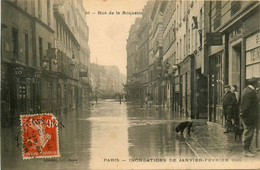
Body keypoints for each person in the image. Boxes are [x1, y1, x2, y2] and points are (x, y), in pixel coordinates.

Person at [240, 77, 259, 157]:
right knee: (248, 133)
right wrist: (243, 114)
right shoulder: (250, 92)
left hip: (248, 116)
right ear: (254, 83)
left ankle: (247, 149)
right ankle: (246, 151)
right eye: (257, 83)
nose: (258, 84)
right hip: (249, 117)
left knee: (248, 132)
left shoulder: (246, 90)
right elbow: (246, 106)